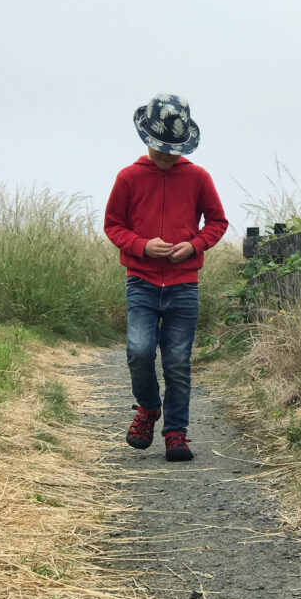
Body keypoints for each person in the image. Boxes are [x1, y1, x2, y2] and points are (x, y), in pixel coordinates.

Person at [104, 94, 228, 461]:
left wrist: (194, 246)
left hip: (183, 284)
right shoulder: (127, 178)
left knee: (176, 360)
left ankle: (177, 433)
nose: (166, 157)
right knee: (139, 351)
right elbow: (113, 226)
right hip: (141, 282)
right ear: (146, 139)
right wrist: (142, 246)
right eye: (160, 150)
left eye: (173, 151)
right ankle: (148, 408)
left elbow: (217, 222)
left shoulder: (198, 177)